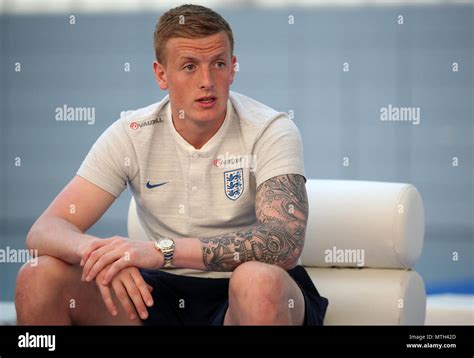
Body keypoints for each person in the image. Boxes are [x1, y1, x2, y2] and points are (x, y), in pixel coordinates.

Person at [15, 4, 328, 326]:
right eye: (189, 67)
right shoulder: (132, 133)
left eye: (218, 64)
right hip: (159, 291)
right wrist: (105, 254)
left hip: (248, 288)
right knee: (38, 275)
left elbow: (284, 243)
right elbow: (45, 229)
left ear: (233, 68)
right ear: (161, 74)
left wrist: (163, 251)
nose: (207, 81)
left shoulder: (270, 129)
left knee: (256, 280)